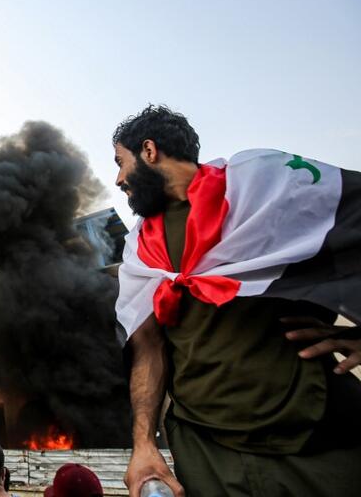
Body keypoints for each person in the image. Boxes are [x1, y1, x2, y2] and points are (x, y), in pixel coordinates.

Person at [113, 105, 361, 497]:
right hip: (207, 453)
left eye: (120, 162)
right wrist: (144, 443)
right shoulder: (139, 249)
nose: (118, 179)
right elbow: (148, 348)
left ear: (148, 151)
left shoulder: (262, 189)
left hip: (314, 443)